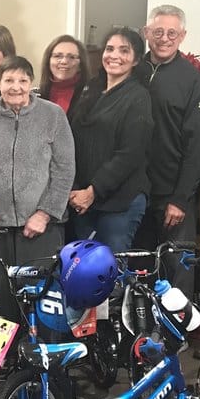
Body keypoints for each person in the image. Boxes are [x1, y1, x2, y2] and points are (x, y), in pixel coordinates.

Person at [0, 56, 75, 322]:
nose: (16, 86)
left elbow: (64, 170)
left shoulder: (53, 116)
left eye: (22, 80)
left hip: (41, 229)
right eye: (9, 80)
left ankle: (42, 357)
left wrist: (44, 213)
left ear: (31, 83)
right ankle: (2, 359)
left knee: (41, 298)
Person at [134, 5, 200, 296]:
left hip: (174, 196)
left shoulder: (193, 81)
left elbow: (197, 145)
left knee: (177, 270)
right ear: (146, 33)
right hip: (135, 192)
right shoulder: (132, 71)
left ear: (182, 36)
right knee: (140, 268)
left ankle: (177, 339)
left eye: (171, 33)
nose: (164, 38)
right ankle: (141, 336)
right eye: (158, 31)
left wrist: (180, 199)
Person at [68, 27, 152, 253]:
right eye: (110, 49)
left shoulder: (138, 96)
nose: (114, 55)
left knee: (111, 273)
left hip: (120, 202)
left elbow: (130, 153)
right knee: (83, 271)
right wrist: (76, 189)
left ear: (135, 60)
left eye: (124, 51)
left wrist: (93, 191)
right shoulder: (91, 89)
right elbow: (74, 143)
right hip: (83, 200)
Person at [35, 34, 91, 116]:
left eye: (71, 57)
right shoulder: (35, 97)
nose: (64, 61)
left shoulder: (90, 96)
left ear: (81, 64)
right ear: (48, 61)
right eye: (58, 56)